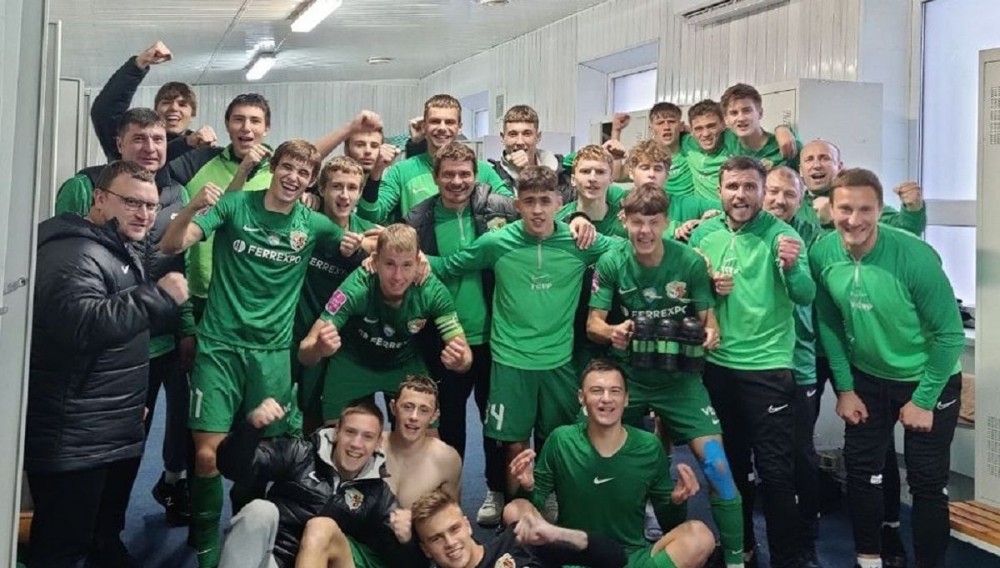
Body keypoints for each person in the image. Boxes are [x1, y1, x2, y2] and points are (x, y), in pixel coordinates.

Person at [161, 139, 354, 568]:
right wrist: (191, 207)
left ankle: (247, 534)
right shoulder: (234, 206)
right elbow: (171, 245)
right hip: (219, 348)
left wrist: (367, 245)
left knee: (261, 459)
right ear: (274, 168)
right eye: (287, 167)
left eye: (303, 173)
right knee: (208, 455)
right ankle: (207, 550)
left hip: (272, 356)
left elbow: (354, 245)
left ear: (311, 182)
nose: (293, 178)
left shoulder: (314, 226)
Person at [27, 160, 188, 568]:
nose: (144, 214)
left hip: (100, 422)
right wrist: (158, 297)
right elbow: (82, 325)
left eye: (150, 206)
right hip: (73, 434)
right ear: (99, 198)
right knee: (62, 547)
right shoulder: (74, 253)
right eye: (131, 202)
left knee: (95, 533)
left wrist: (126, 406)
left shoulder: (113, 245)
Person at [427, 164, 616, 498]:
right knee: (515, 447)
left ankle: (549, 504)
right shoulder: (496, 242)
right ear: (517, 205)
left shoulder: (580, 242)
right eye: (529, 201)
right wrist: (397, 253)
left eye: (545, 201)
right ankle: (517, 513)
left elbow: (632, 249)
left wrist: (694, 252)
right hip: (510, 361)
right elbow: (449, 266)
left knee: (556, 443)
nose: (538, 210)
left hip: (559, 361)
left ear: (559, 203)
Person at [810, 168, 964, 568]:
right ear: (830, 208)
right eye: (845, 208)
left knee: (927, 483)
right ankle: (869, 560)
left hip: (929, 379)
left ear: (880, 210)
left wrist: (924, 400)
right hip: (868, 377)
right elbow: (828, 322)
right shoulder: (822, 254)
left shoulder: (915, 257)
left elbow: (950, 335)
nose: (854, 219)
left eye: (865, 209)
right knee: (862, 473)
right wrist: (845, 389)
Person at [53, 107, 198, 525]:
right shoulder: (84, 186)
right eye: (139, 138)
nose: (150, 148)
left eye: (158, 139)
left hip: (155, 346)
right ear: (119, 143)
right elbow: (63, 254)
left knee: (131, 445)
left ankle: (110, 531)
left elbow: (180, 267)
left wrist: (186, 328)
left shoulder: (177, 195)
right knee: (87, 452)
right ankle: (76, 534)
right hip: (100, 343)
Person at [587, 183, 745, 568]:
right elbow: (594, 324)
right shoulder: (611, 262)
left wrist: (710, 334)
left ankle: (736, 560)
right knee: (596, 460)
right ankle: (602, 543)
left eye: (653, 222)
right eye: (637, 222)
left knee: (718, 467)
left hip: (680, 381)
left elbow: (710, 323)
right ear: (624, 221)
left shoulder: (688, 261)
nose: (644, 231)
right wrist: (613, 331)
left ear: (666, 222)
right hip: (629, 379)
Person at [688, 156, 814, 568]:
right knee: (731, 467)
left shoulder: (782, 235)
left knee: (776, 472)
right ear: (720, 191)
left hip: (767, 369)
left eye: (749, 187)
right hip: (717, 366)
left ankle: (786, 557)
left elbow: (806, 294)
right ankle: (740, 549)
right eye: (732, 187)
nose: (740, 195)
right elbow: (687, 291)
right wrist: (706, 285)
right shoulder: (704, 234)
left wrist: (792, 268)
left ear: (762, 191)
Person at [507, 358, 716, 568]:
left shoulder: (649, 447)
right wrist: (527, 488)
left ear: (626, 399)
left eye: (615, 391)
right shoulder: (561, 440)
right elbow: (532, 507)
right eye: (597, 391)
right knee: (515, 510)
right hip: (575, 557)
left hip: (629, 559)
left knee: (700, 536)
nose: (606, 399)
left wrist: (677, 502)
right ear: (582, 397)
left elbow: (669, 523)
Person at [403, 141, 516, 526]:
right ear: (435, 178)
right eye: (448, 174)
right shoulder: (418, 218)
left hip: (495, 336)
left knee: (495, 422)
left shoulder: (500, 209)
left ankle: (496, 490)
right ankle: (447, 500)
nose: (457, 181)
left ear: (476, 174)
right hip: (443, 339)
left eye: (464, 174)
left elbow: (542, 217)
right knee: (449, 423)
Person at [297, 223, 473, 424]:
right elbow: (304, 353)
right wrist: (319, 348)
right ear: (374, 260)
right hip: (353, 361)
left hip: (404, 363)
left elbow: (466, 358)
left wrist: (460, 361)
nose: (397, 276)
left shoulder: (432, 292)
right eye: (389, 264)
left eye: (407, 265)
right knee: (335, 436)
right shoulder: (356, 288)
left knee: (426, 435)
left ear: (419, 263)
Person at [215, 398, 417, 568]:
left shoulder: (378, 493)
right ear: (337, 432)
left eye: (367, 437)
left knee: (323, 527)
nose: (356, 444)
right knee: (260, 510)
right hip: (270, 559)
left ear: (378, 443)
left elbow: (407, 563)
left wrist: (407, 540)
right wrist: (251, 428)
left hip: (320, 562)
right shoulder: (301, 453)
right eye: (350, 432)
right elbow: (232, 468)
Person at [761, 166, 823, 567]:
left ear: (801, 201)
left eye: (789, 194)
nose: (779, 200)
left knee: (801, 454)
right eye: (773, 192)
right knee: (767, 458)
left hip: (799, 363)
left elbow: (807, 295)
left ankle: (808, 537)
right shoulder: (743, 232)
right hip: (756, 365)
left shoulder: (806, 239)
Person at [292, 156, 378, 433]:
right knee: (300, 413)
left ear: (360, 192)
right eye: (337, 186)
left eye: (352, 188)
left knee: (349, 418)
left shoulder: (368, 232)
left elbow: (401, 247)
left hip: (347, 344)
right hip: (299, 334)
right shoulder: (305, 222)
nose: (344, 195)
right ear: (321, 189)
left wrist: (366, 247)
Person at [357, 94, 512, 224]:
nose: (442, 128)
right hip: (420, 251)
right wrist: (376, 172)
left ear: (460, 127)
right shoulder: (401, 171)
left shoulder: (482, 170)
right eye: (435, 121)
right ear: (424, 126)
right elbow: (370, 216)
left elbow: (514, 207)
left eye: (449, 122)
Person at [409, 488, 627, 568]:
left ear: (467, 525)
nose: (450, 543)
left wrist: (558, 533)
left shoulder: (519, 540)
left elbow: (615, 557)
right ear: (426, 549)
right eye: (436, 538)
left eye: (454, 529)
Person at [91, 40, 216, 162]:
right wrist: (138, 65)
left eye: (182, 104)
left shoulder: (200, 151)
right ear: (156, 112)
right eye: (166, 102)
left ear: (193, 115)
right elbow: (105, 111)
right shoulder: (130, 144)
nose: (174, 108)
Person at [382, 376, 463, 507]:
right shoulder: (371, 447)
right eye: (407, 407)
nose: (414, 417)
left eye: (424, 410)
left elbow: (452, 513)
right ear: (393, 407)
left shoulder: (447, 459)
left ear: (434, 416)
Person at [489, 104, 574, 202]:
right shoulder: (493, 177)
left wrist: (528, 170)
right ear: (502, 138)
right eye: (513, 134)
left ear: (538, 137)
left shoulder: (561, 172)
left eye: (527, 134)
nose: (520, 142)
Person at [720, 83, 801, 170]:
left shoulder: (786, 146)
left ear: (760, 113)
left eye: (747, 110)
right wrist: (781, 128)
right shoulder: (726, 138)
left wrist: (783, 129)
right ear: (726, 119)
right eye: (734, 113)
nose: (741, 118)